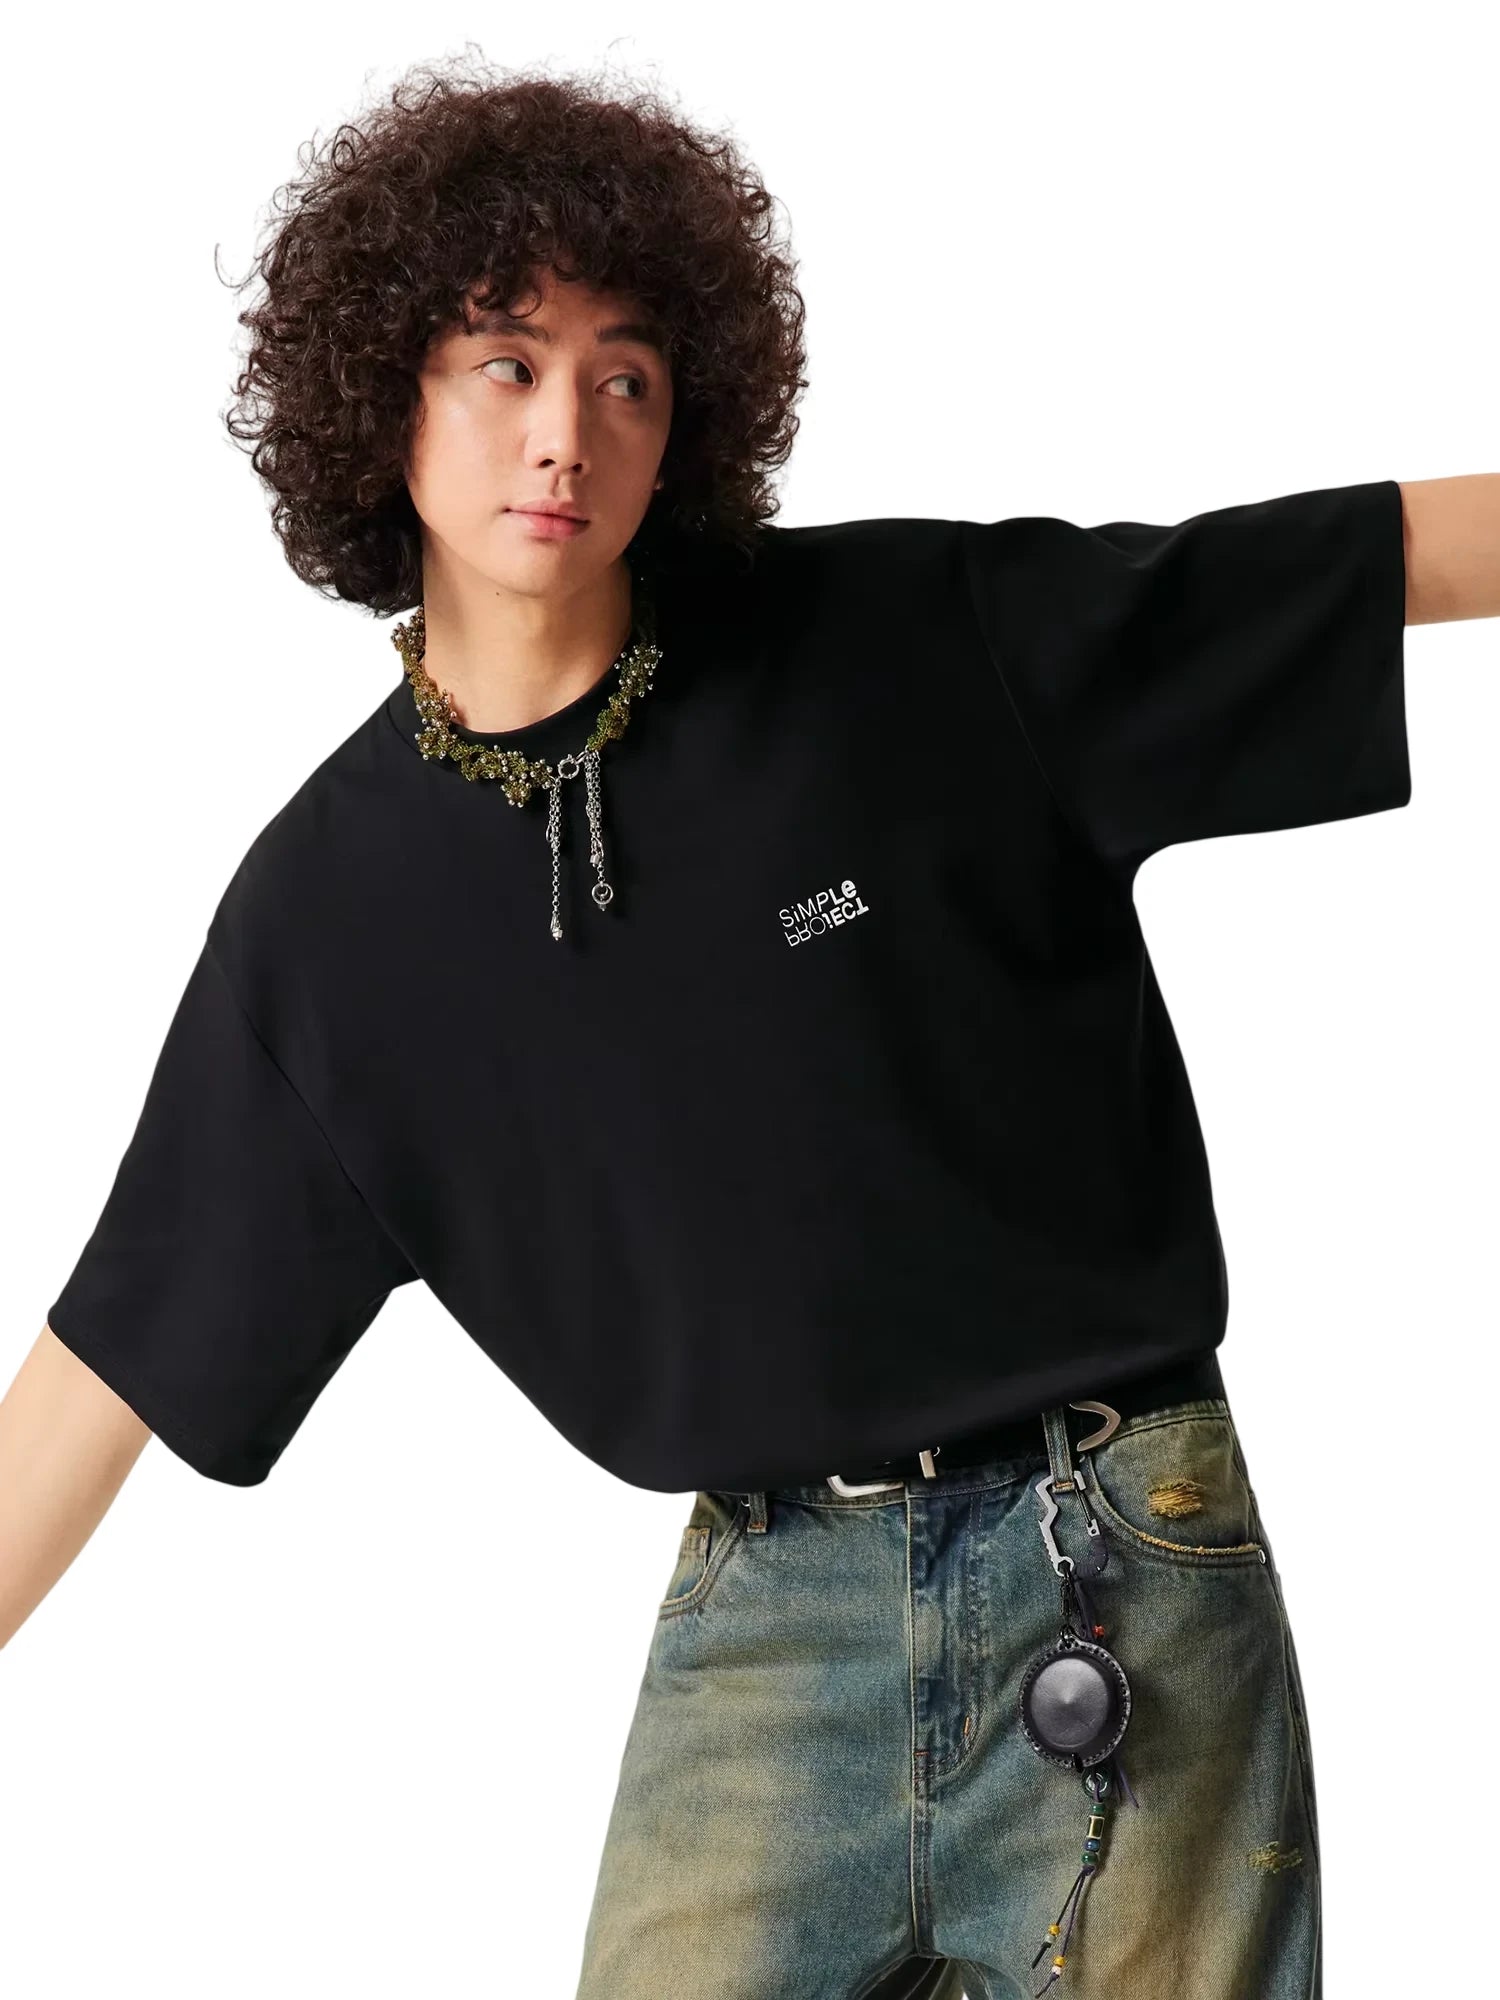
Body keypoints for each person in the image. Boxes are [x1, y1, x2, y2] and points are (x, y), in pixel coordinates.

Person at [1, 53, 1495, 2000]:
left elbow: (1372, 562)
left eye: (625, 375)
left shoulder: (912, 646)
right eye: (506, 364)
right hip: (763, 1625)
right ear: (382, 398)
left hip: (1117, 1549)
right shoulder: (331, 921)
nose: (567, 433)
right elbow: (102, 1371)